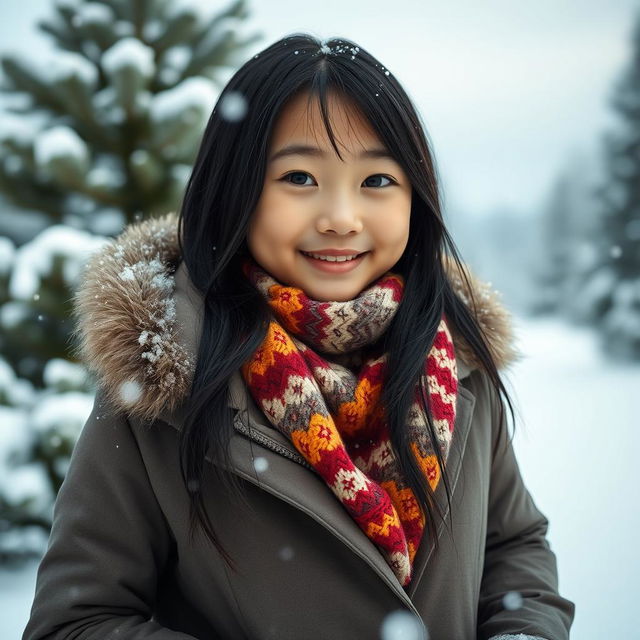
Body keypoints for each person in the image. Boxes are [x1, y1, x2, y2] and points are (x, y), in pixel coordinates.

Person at [23, 33, 575, 640]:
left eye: (377, 181)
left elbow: (515, 547)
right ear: (236, 190)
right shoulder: (162, 380)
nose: (341, 217)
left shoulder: (455, 361)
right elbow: (75, 622)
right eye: (300, 177)